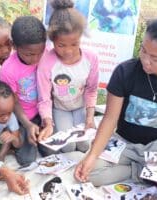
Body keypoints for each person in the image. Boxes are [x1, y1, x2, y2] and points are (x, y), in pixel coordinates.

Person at [74, 17, 157, 186]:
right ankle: (139, 172)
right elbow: (110, 119)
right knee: (87, 173)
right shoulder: (125, 72)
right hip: (123, 142)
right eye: (143, 50)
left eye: (155, 59)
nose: (146, 60)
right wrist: (92, 156)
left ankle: (138, 171)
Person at [37, 0, 99, 154]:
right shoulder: (47, 61)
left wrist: (90, 118)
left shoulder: (91, 58)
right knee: (68, 147)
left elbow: (91, 90)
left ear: (81, 38)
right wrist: (48, 123)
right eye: (61, 45)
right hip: (60, 109)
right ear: (53, 40)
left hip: (80, 107)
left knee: (84, 145)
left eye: (74, 44)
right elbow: (44, 98)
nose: (68, 51)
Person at [0, 16, 49, 166]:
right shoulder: (8, 70)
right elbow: (13, 102)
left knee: (52, 150)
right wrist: (27, 125)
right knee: (27, 160)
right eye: (29, 54)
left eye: (40, 52)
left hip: (44, 111)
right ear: (14, 46)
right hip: (23, 118)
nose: (36, 58)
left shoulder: (48, 53)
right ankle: (14, 140)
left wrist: (48, 120)